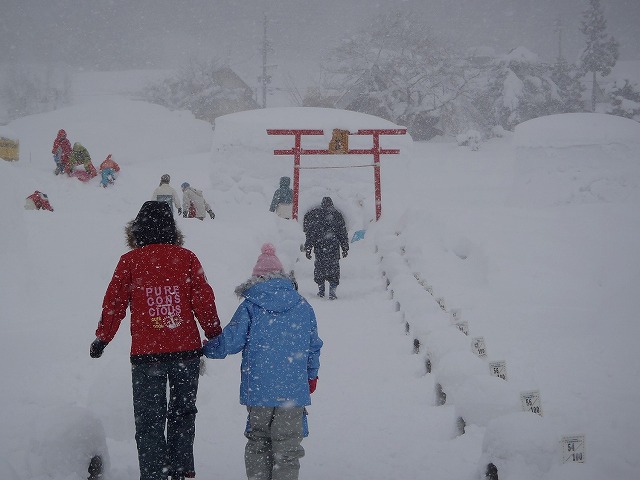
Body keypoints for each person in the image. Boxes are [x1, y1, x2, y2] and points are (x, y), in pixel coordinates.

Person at [89, 201, 222, 480]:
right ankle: (179, 468)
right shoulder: (187, 259)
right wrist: (213, 332)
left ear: (137, 231)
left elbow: (114, 303)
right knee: (183, 413)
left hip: (146, 355)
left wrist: (103, 338)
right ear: (172, 230)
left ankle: (153, 473)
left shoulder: (130, 262)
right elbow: (204, 300)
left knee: (149, 420)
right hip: (186, 351)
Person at [203, 243, 322, 480]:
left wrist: (206, 348)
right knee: (288, 449)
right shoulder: (302, 306)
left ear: (256, 278)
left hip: (259, 390)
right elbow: (313, 347)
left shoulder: (251, 306)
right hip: (292, 391)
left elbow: (231, 341)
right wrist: (311, 376)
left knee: (258, 443)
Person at [303, 196, 349, 300]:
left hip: (320, 247)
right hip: (333, 248)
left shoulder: (316, 216)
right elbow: (342, 233)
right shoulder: (337, 216)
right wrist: (345, 247)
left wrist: (308, 248)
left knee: (320, 269)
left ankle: (321, 289)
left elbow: (311, 233)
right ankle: (332, 291)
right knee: (334, 269)